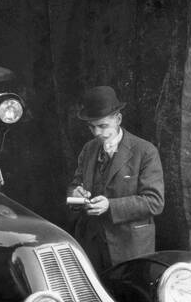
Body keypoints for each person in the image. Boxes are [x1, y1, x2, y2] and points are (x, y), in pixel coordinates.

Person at [66, 86, 164, 271]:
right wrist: (76, 194)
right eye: (92, 127)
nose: (97, 133)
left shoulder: (145, 151)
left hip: (130, 248)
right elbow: (74, 186)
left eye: (103, 126)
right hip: (92, 247)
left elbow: (155, 202)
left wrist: (110, 206)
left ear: (118, 119)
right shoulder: (89, 149)